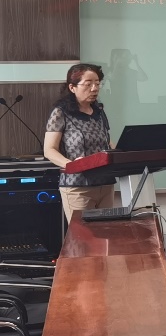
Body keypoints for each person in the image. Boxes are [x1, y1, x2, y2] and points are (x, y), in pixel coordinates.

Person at [43, 63, 115, 221]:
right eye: (88, 84)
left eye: (97, 84)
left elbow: (107, 143)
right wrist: (72, 165)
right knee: (83, 234)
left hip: (106, 184)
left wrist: (124, 153)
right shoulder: (61, 113)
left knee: (107, 232)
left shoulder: (99, 112)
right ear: (72, 87)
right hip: (78, 186)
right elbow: (49, 150)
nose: (94, 89)